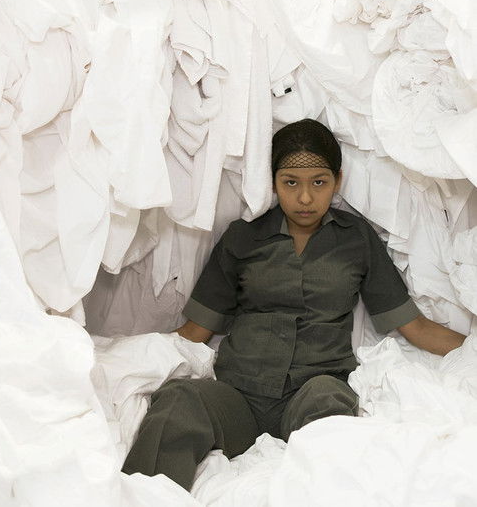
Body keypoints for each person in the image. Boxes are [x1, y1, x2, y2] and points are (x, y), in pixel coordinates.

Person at [122, 118, 466, 491]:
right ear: (273, 182)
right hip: (238, 396)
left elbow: (415, 327)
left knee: (330, 409)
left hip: (313, 393)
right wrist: (127, 359)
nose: (304, 198)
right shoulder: (243, 237)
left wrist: (472, 347)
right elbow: (194, 332)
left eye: (318, 182)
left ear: (337, 180)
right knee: (178, 401)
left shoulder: (357, 240)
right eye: (291, 183)